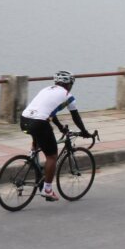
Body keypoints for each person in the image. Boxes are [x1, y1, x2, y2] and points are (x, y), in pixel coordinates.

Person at [20, 70, 92, 201]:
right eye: (71, 83)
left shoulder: (46, 89)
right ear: (68, 84)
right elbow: (75, 117)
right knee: (52, 156)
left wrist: (60, 127)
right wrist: (85, 132)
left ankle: (32, 158)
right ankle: (47, 189)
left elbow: (49, 112)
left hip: (24, 120)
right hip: (39, 123)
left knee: (37, 135)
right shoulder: (67, 95)